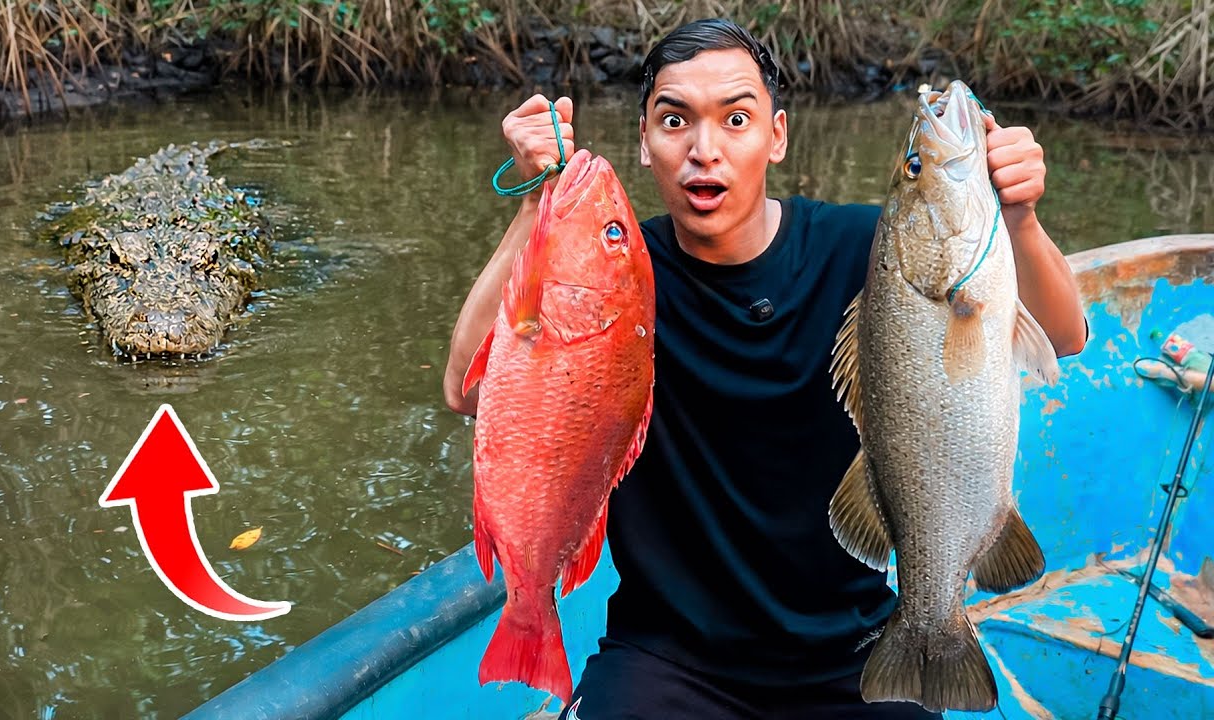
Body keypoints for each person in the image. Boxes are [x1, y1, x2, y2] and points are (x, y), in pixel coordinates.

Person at [443, 17, 1087, 720]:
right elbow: (470, 390)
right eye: (674, 120)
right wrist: (538, 203)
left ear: (776, 136)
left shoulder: (871, 251)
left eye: (736, 118)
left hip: (851, 651)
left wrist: (1020, 218)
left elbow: (1064, 334)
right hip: (665, 657)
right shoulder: (617, 274)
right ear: (644, 141)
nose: (704, 150)